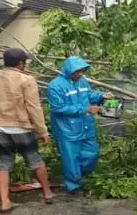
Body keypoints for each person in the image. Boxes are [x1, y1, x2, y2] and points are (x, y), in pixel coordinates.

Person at [0, 48, 54, 213]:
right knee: (35, 160)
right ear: (21, 63)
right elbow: (33, 107)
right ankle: (47, 193)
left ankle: (5, 202)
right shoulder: (26, 79)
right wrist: (43, 131)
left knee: (1, 166)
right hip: (22, 128)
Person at [46, 56, 112, 195]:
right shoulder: (55, 86)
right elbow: (58, 108)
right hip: (67, 129)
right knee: (71, 159)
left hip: (86, 125)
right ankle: (73, 186)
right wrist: (84, 109)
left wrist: (101, 96)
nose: (81, 74)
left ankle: (81, 176)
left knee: (92, 153)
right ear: (69, 70)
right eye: (78, 71)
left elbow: (89, 95)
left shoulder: (82, 81)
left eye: (83, 71)